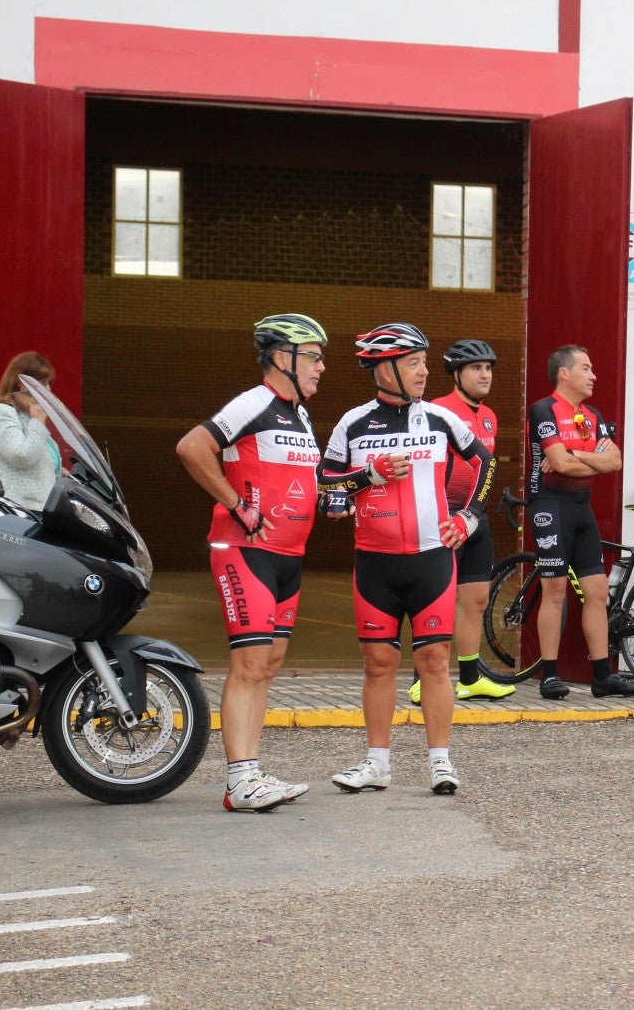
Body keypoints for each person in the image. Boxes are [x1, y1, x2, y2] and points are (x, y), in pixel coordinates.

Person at [319, 322, 496, 796]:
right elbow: (325, 484)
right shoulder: (353, 423)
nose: (423, 372)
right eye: (413, 363)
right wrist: (365, 477)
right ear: (385, 369)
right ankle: (377, 763)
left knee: (435, 660)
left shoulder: (439, 418)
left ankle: (440, 762)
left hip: (431, 558)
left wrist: (469, 517)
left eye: (424, 362)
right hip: (375, 563)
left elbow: (485, 462)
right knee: (378, 663)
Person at [175, 314, 328, 812]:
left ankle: (251, 773)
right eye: (314, 356)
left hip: (288, 555)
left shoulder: (300, 415)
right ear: (282, 357)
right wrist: (237, 505)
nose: (321, 366)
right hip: (246, 551)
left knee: (269, 664)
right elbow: (192, 447)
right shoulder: (254, 403)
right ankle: (239, 781)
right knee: (249, 663)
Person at [526, 345, 634, 699]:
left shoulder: (592, 415)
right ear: (564, 373)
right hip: (550, 506)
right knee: (555, 590)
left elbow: (615, 462)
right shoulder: (543, 409)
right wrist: (587, 460)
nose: (594, 375)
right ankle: (549, 675)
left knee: (597, 591)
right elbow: (559, 465)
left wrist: (574, 452)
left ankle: (601, 677)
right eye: (586, 368)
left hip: (582, 508)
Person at [407, 339, 517, 706]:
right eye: (476, 368)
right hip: (443, 517)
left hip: (475, 516)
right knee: (435, 599)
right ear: (456, 374)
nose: (485, 375)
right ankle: (422, 678)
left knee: (477, 598)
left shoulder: (489, 416)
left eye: (488, 368)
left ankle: (470, 679)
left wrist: (474, 513)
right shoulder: (436, 410)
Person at [0, 352, 61, 510]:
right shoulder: (2, 412)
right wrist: (38, 422)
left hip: (38, 511)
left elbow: (37, 464)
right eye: (42, 383)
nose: (48, 390)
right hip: (13, 511)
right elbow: (21, 456)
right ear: (20, 385)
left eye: (48, 384)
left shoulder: (29, 418)